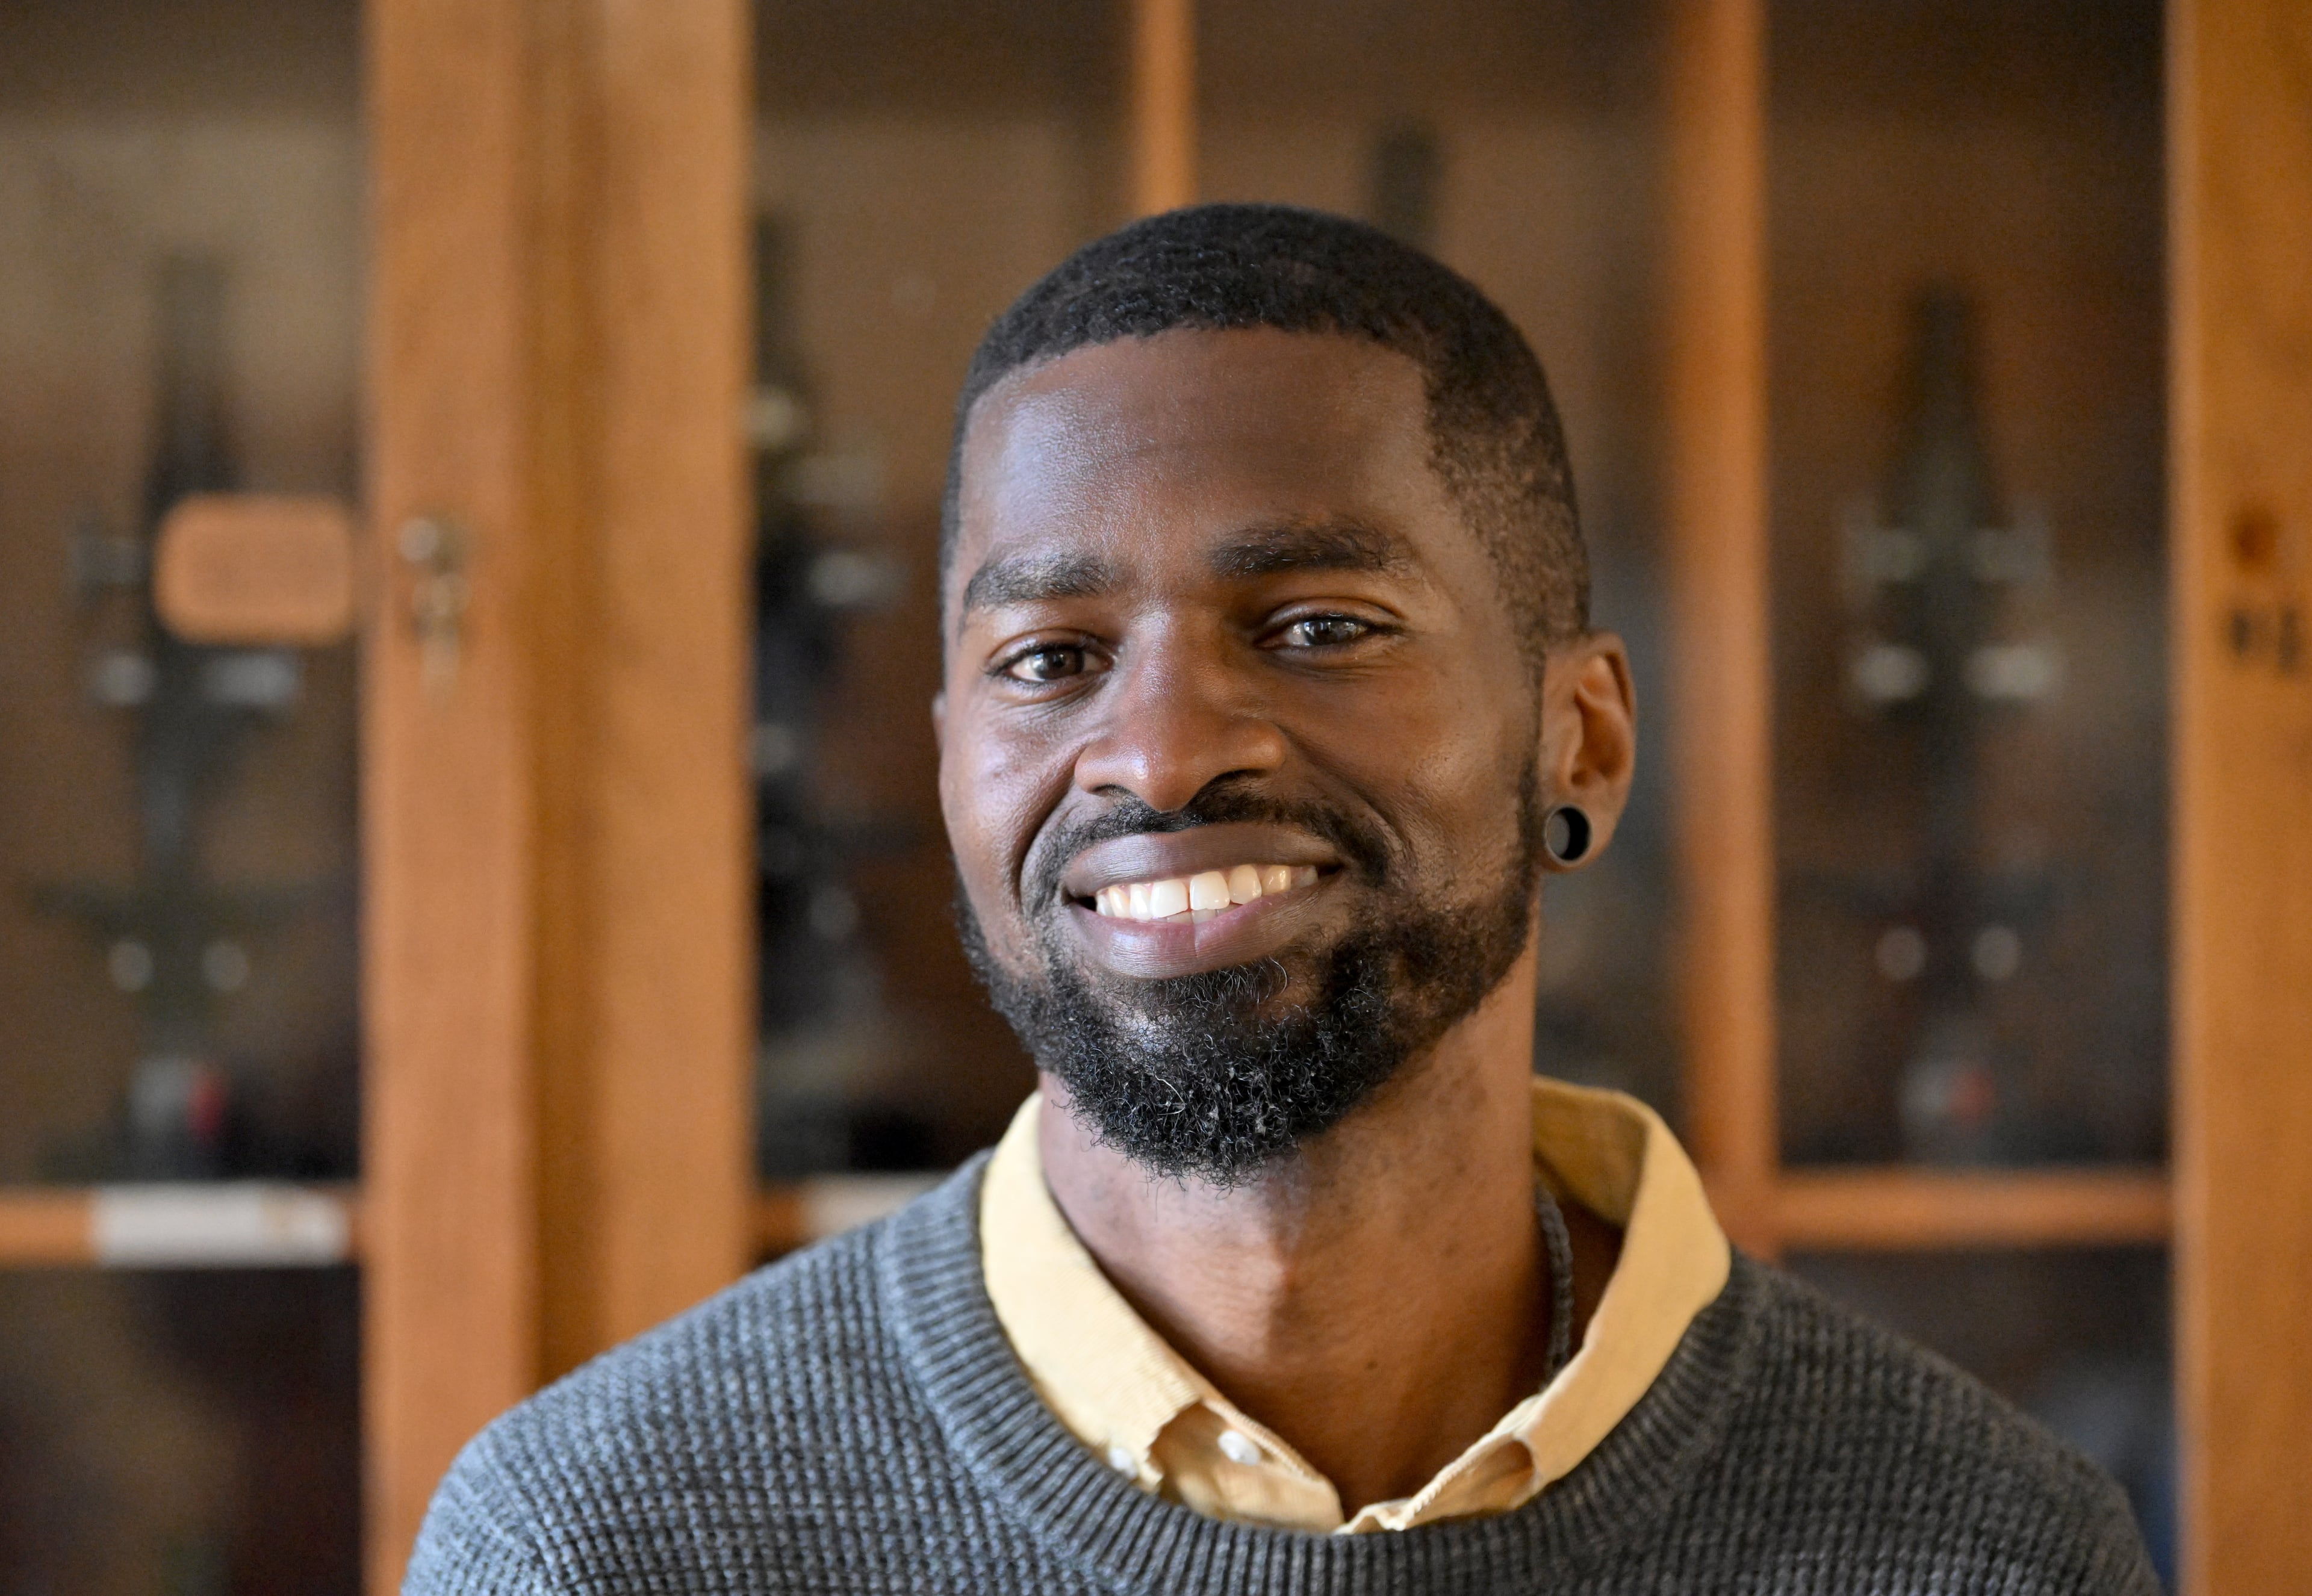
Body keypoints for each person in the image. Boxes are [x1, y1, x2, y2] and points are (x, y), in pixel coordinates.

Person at [406, 204, 2156, 1594]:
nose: (1159, 756)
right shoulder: (601, 1549)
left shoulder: (1982, 1553)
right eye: (1052, 657)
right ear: (949, 765)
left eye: (1319, 627)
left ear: (1583, 738)